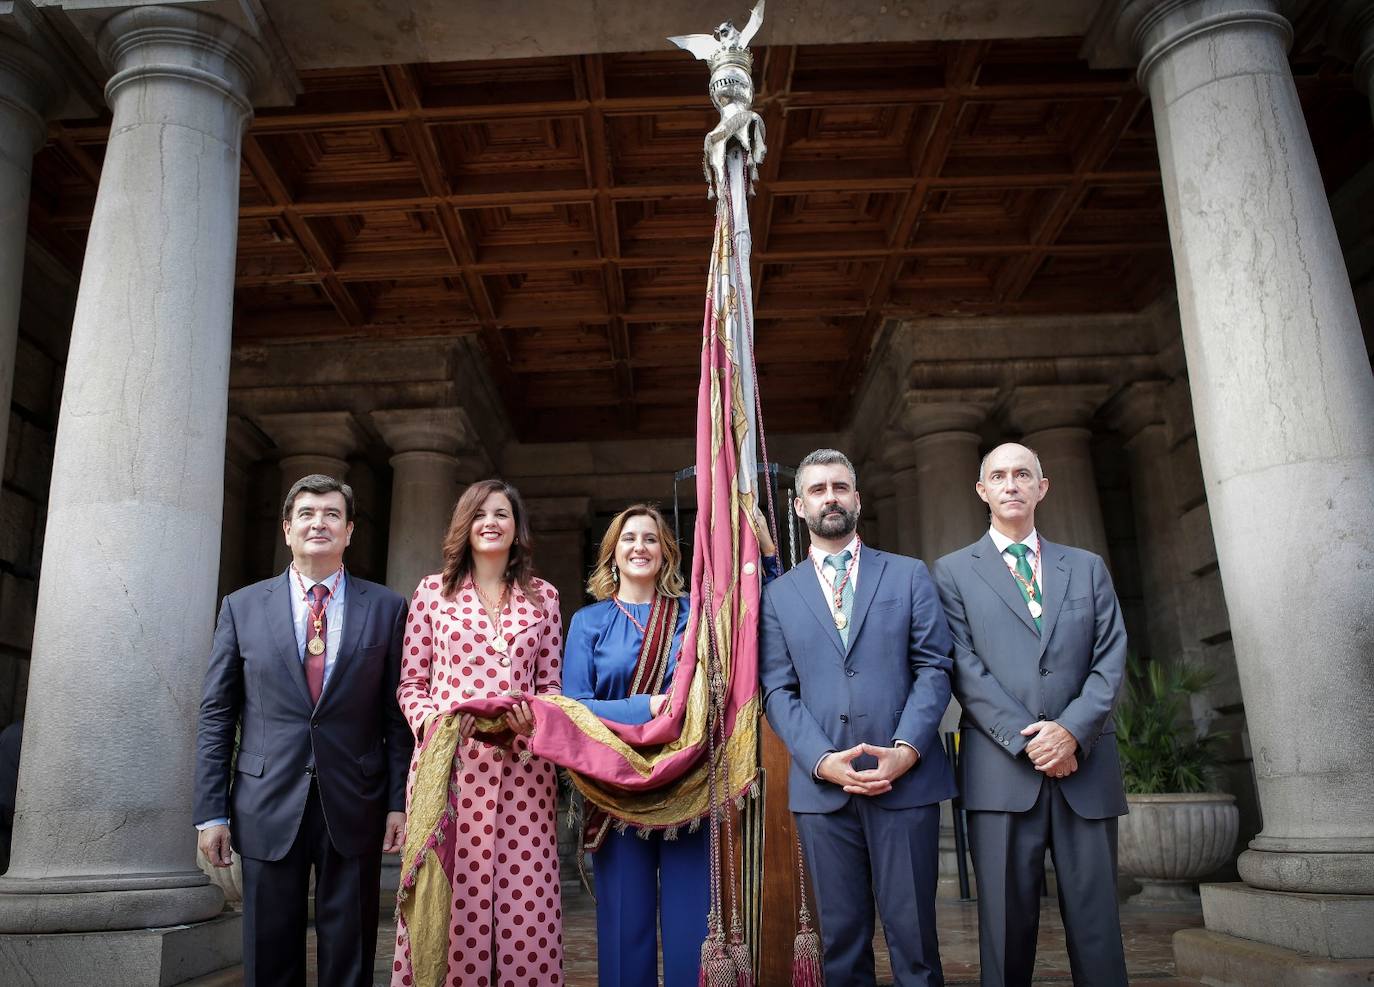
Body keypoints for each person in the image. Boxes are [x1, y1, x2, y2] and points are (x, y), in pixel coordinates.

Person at [195, 474, 411, 987]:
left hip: (356, 799)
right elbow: (217, 714)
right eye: (308, 514)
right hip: (265, 799)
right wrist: (210, 812)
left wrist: (399, 801)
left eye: (333, 514)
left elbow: (397, 717)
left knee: (350, 956)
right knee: (269, 956)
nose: (320, 523)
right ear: (288, 529)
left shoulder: (386, 608)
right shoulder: (241, 607)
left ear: (350, 530)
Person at [932, 442, 1129, 987]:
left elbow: (1110, 656)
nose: (1011, 484)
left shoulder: (1086, 568)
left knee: (1098, 929)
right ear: (982, 491)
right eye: (999, 475)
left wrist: (1070, 732)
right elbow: (961, 667)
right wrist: (1031, 741)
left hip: (1084, 768)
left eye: (1023, 474)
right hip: (1001, 773)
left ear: (1043, 487)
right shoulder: (951, 573)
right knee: (1004, 933)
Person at [759, 448, 956, 987]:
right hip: (824, 791)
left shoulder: (909, 575)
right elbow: (777, 689)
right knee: (842, 945)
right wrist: (822, 760)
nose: (830, 498)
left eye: (840, 487)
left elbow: (934, 667)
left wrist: (907, 749)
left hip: (905, 782)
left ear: (857, 499)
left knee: (915, 941)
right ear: (799, 506)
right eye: (818, 490)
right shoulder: (778, 596)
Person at [391, 478, 564, 987]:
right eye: (481, 513)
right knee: (449, 902)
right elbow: (412, 682)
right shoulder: (432, 592)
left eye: (502, 514)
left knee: (525, 906)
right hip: (449, 773)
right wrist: (435, 723)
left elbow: (551, 683)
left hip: (525, 770)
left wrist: (535, 717)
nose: (492, 522)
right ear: (465, 526)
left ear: (517, 528)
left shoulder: (545, 598)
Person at [561, 504, 701, 987]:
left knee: (692, 929)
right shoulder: (588, 622)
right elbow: (574, 706)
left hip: (689, 784)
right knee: (625, 929)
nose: (639, 547)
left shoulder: (694, 615)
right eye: (628, 539)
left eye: (650, 539)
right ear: (612, 555)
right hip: (616, 787)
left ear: (666, 553)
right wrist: (647, 708)